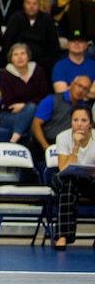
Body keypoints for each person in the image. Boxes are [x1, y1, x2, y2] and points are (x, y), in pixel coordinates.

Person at [50, 106, 95, 250]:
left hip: (88, 179)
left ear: (91, 123)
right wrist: (76, 147)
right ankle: (62, 237)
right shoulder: (63, 137)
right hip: (63, 179)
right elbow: (63, 168)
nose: (79, 124)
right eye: (75, 120)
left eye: (83, 120)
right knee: (69, 185)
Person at [2, 0, 61, 86]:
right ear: (24, 5)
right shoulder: (16, 18)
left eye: (34, 4)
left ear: (39, 5)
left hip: (41, 60)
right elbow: (7, 42)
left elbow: (54, 45)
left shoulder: (47, 19)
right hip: (19, 58)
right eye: (28, 3)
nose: (31, 6)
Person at [0, 43, 50, 144]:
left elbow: (44, 96)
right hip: (9, 115)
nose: (20, 57)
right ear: (11, 59)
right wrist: (29, 107)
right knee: (33, 122)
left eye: (23, 53)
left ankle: (14, 140)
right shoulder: (6, 74)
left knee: (31, 110)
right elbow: (9, 103)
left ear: (28, 56)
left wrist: (24, 106)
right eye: (16, 54)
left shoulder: (38, 71)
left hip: (33, 111)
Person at [33, 76, 91, 156]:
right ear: (72, 84)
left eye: (85, 89)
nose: (81, 90)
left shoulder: (85, 108)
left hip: (71, 146)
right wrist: (46, 147)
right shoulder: (52, 100)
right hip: (47, 143)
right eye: (79, 86)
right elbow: (36, 124)